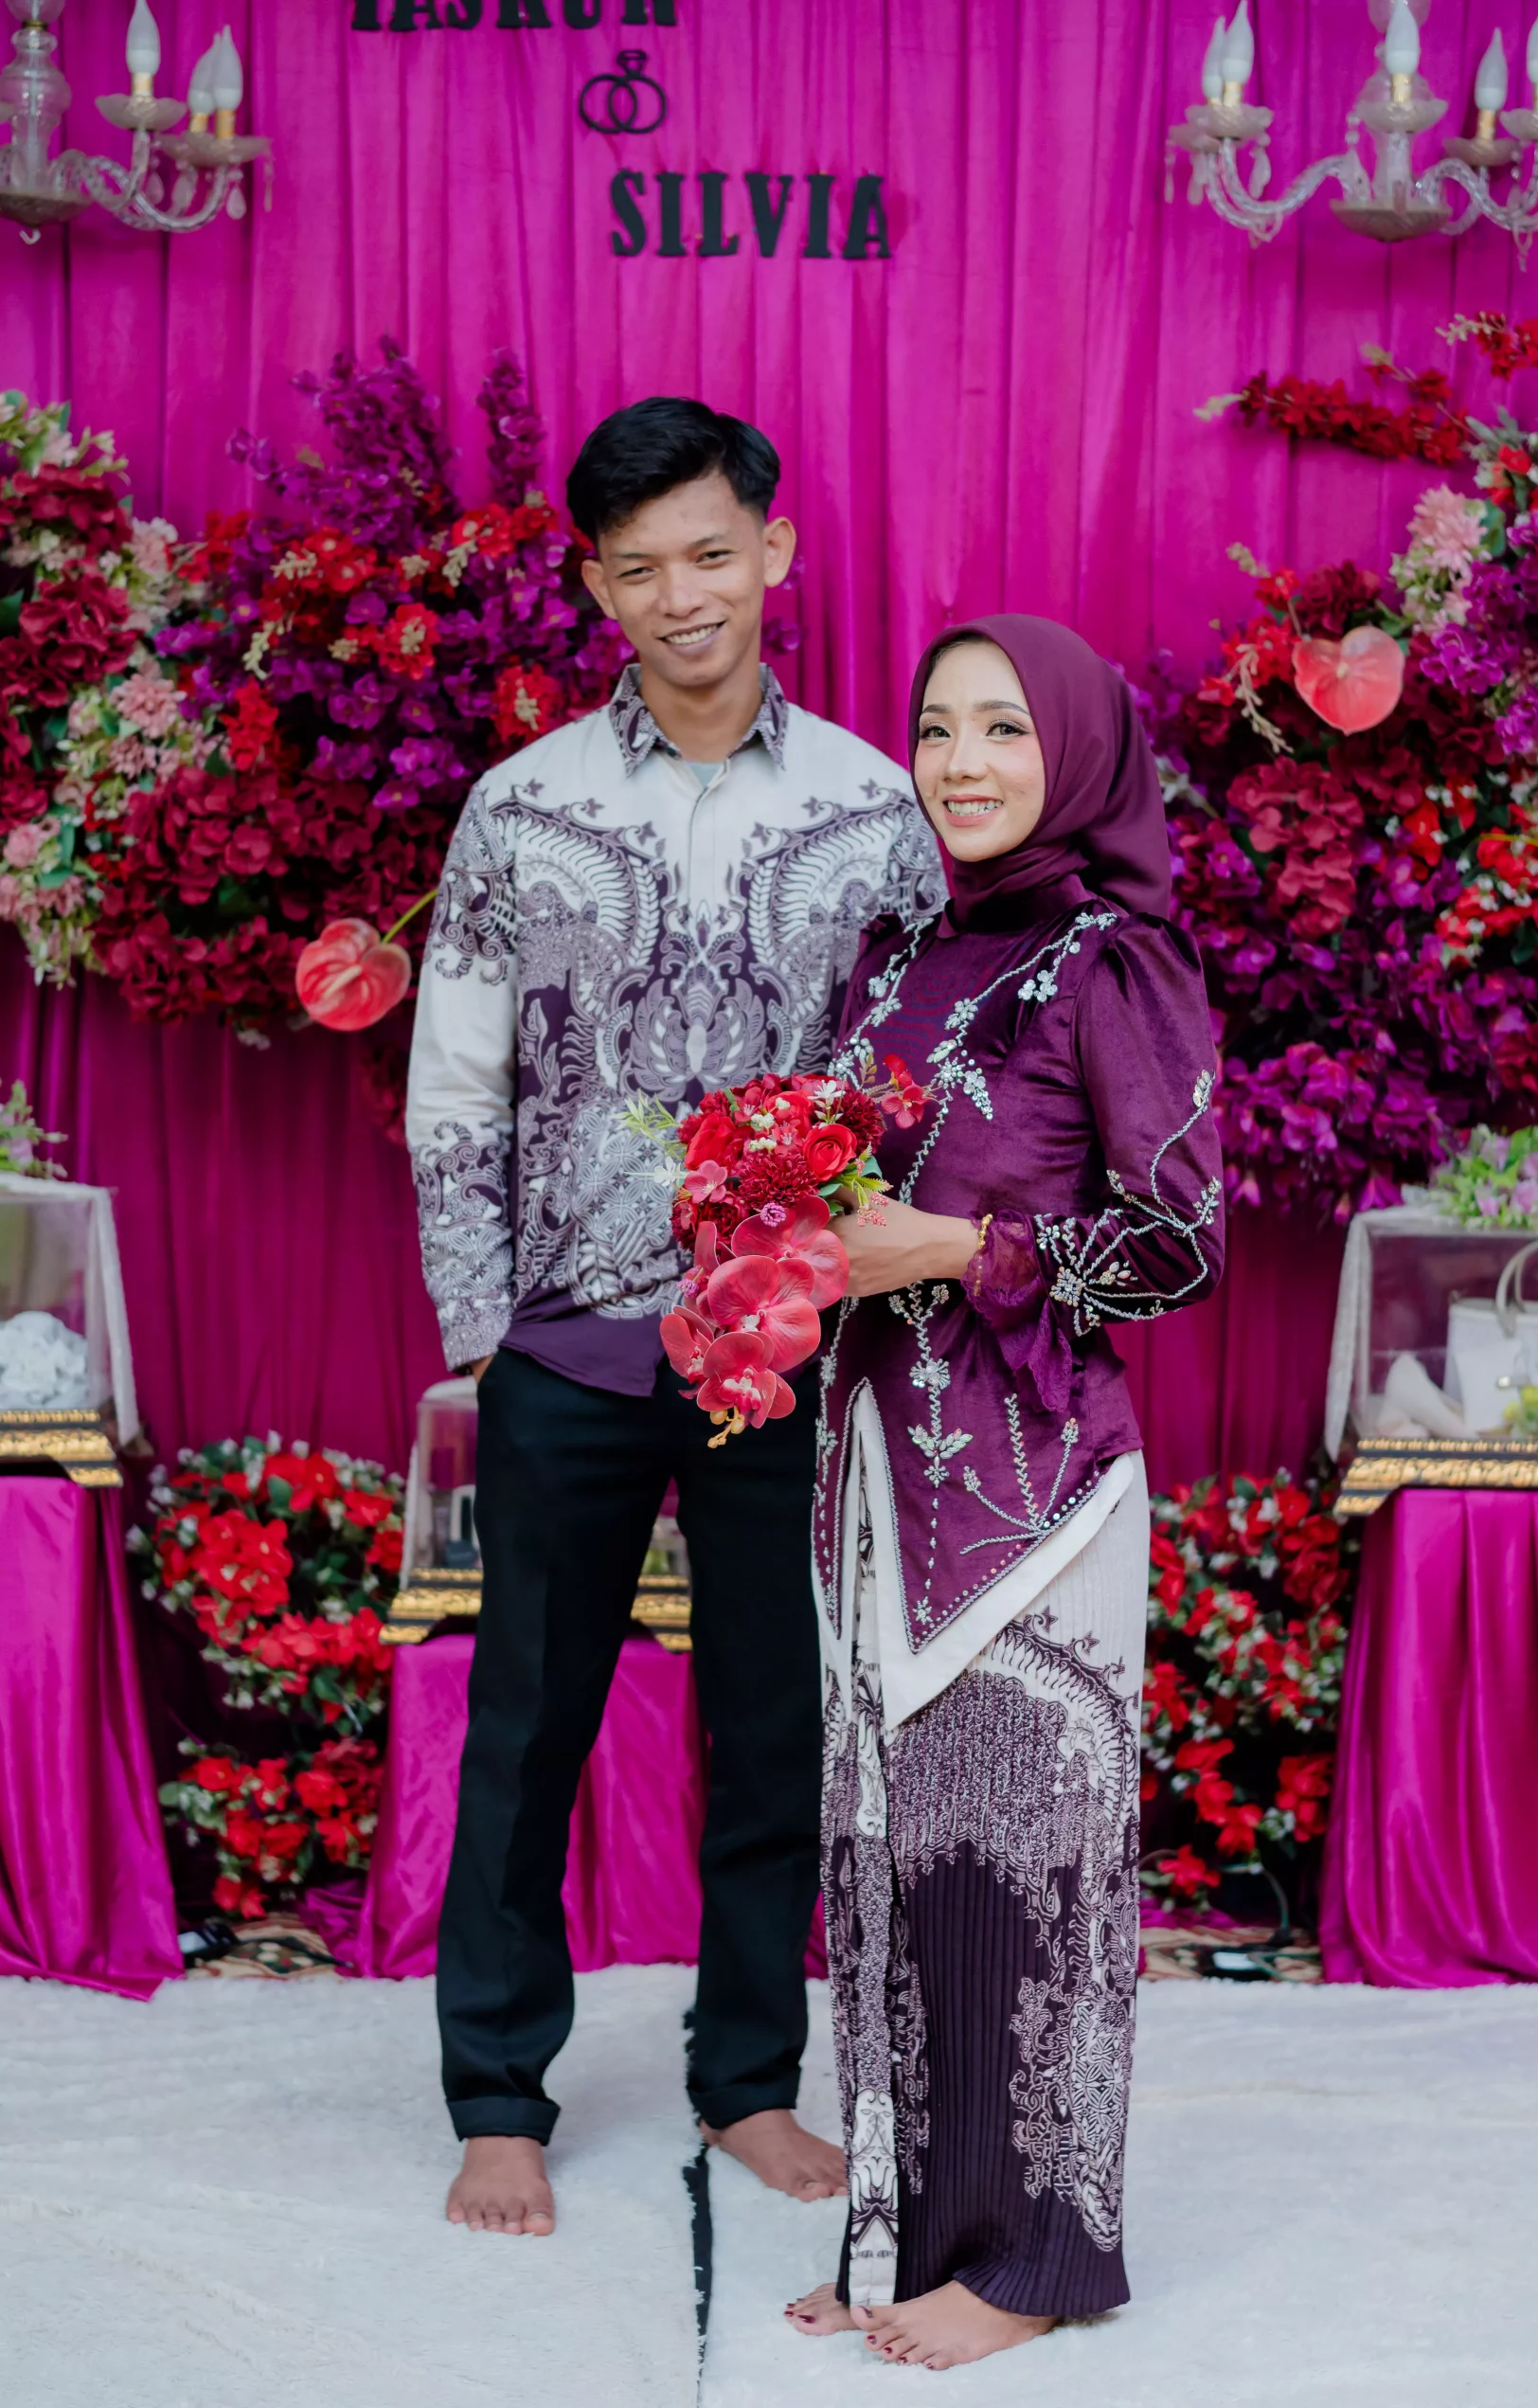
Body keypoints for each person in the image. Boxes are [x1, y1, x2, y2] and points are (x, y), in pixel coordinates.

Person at [405, 398, 943, 2237]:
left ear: (772, 552)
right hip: (566, 1346)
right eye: (639, 568)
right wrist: (485, 1328)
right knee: (526, 1723)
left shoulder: (871, 808)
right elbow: (455, 1080)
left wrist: (865, 1294)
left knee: (776, 1725)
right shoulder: (523, 806)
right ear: (595, 584)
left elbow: (918, 1088)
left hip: (785, 1353)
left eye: (710, 552)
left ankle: (746, 2080)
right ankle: (497, 2094)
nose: (681, 594)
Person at [783, 617, 1225, 2368]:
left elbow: (1178, 1241)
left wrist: (966, 1247)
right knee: (893, 1867)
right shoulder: (893, 954)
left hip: (1036, 1488)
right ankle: (904, 2235)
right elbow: (836, 1189)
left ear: (1078, 752)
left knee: (1026, 1877)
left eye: (1002, 730)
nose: (960, 763)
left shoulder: (1115, 962)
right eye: (936, 728)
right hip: (874, 1472)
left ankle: (1038, 2263)